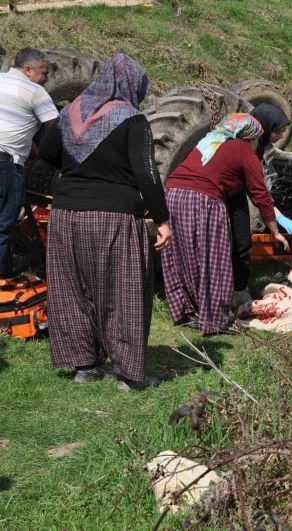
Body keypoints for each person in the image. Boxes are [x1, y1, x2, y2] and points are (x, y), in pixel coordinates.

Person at [38, 52, 172, 389]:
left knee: (72, 289)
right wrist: (162, 219)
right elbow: (147, 173)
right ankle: (127, 374)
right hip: (114, 217)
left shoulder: (69, 113)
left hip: (66, 215)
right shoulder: (132, 120)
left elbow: (46, 156)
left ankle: (84, 367)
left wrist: (74, 176)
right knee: (123, 292)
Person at [162, 113, 288, 335]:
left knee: (182, 256)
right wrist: (275, 230)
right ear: (248, 136)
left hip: (172, 195)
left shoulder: (208, 141)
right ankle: (216, 321)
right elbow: (259, 193)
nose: (257, 143)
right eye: (257, 138)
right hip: (203, 200)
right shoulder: (243, 150)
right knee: (214, 261)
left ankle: (187, 311)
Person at [227, 103, 292, 313]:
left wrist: (275, 213)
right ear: (265, 127)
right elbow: (259, 190)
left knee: (242, 246)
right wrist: (275, 218)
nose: (281, 136)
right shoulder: (241, 146)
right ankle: (223, 296)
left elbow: (263, 186)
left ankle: (239, 293)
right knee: (227, 246)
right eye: (278, 131)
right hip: (226, 196)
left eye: (283, 131)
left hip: (242, 197)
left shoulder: (265, 149)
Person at [0, 47, 58, 277]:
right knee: (2, 227)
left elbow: (10, 126)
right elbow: (55, 130)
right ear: (28, 70)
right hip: (4, 166)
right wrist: (49, 157)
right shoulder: (35, 92)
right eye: (43, 73)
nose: (45, 79)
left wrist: (31, 150)